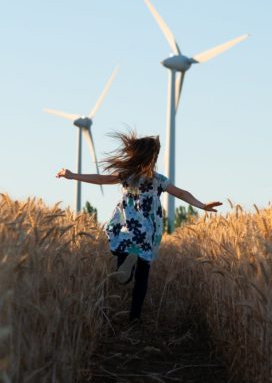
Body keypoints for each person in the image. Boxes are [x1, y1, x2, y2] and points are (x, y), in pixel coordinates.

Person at [56, 131, 221, 322]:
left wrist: (72, 175)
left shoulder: (127, 175)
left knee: (121, 251)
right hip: (148, 229)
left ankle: (125, 267)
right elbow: (182, 193)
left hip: (128, 224)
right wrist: (202, 205)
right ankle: (135, 317)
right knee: (143, 275)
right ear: (154, 158)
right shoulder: (159, 179)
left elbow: (100, 179)